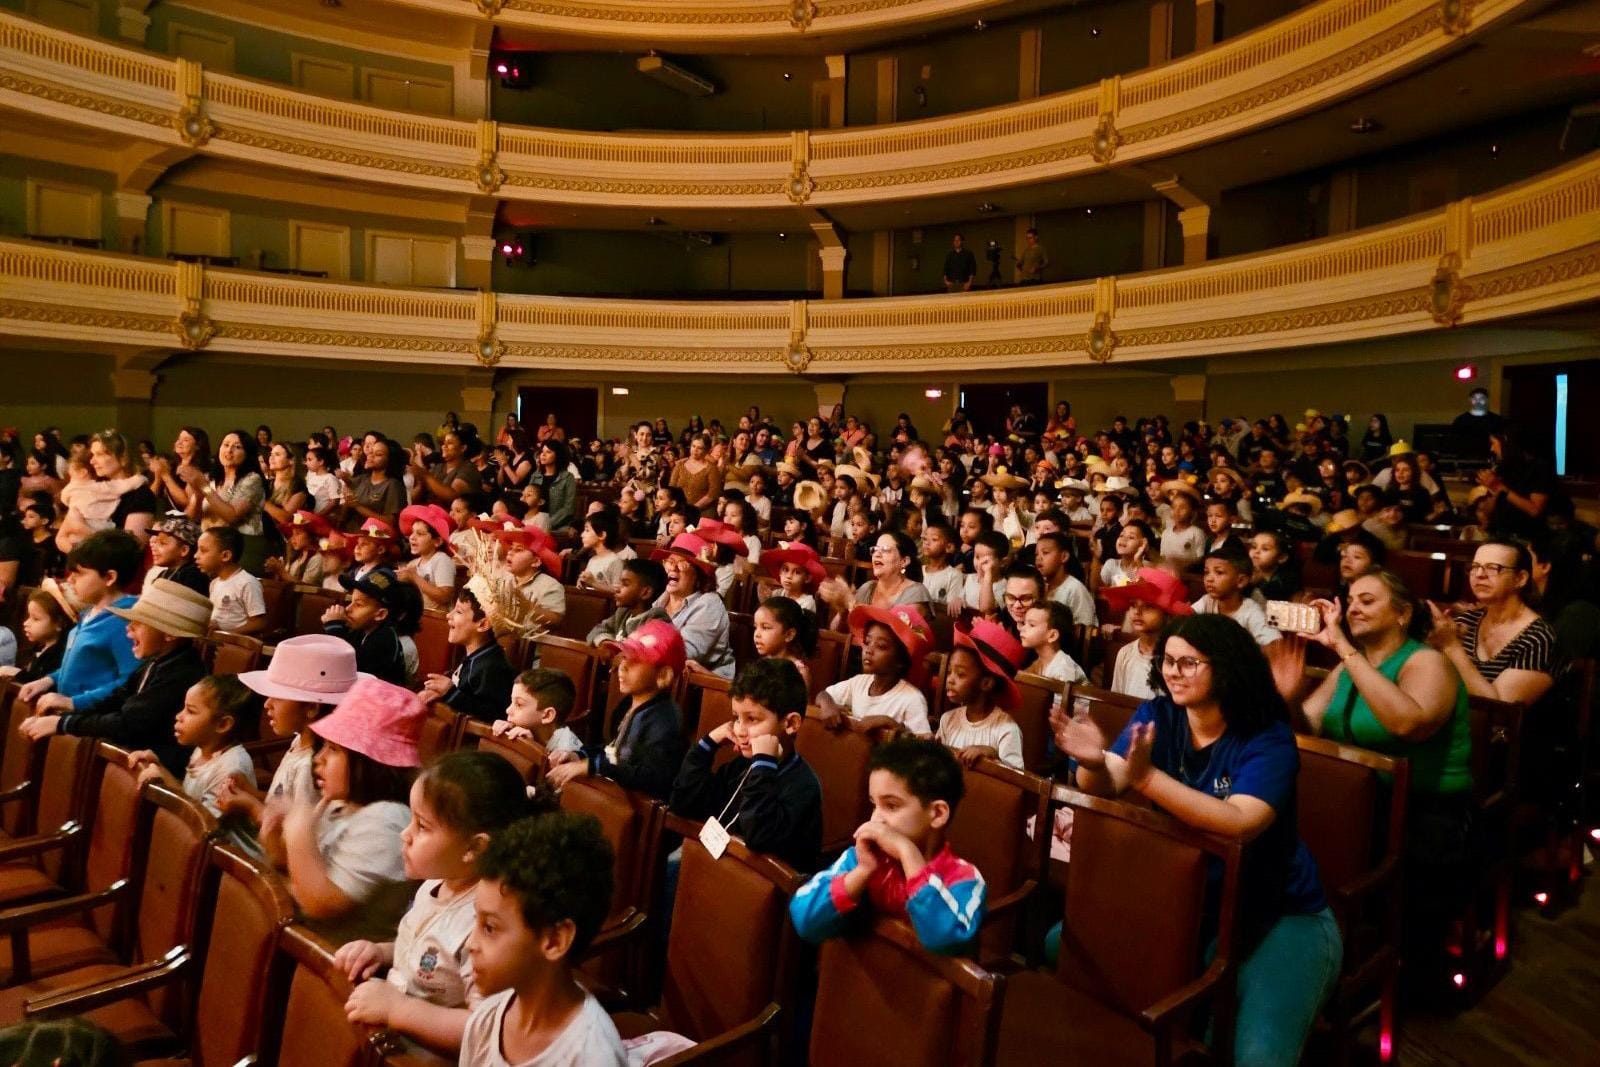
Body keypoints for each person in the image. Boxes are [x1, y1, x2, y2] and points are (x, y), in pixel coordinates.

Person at [1054, 613, 1340, 1067]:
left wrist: (1146, 779)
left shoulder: (1267, 734)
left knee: (1258, 1056)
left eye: (1188, 663)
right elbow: (1107, 780)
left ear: (1226, 667)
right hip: (1186, 898)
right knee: (1063, 946)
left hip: (1276, 911)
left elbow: (1239, 822)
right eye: (1168, 661)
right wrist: (1091, 760)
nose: (1172, 672)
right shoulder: (1161, 713)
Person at [1299, 570, 1471, 985]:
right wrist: (1282, 693)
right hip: (1361, 802)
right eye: (1351, 599)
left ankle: (1391, 970)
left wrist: (1342, 645)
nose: (1353, 607)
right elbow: (1308, 723)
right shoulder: (1350, 668)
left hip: (1426, 813)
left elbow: (1407, 724)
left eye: (1367, 600)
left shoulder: (1428, 661)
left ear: (1402, 613)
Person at [336, 752, 555, 1056]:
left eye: (422, 826)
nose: (405, 834)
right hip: (389, 1041)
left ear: (474, 847)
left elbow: (486, 1030)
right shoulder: (437, 882)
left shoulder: (485, 924)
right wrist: (382, 952)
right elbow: (430, 952)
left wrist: (397, 1010)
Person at [458, 812, 627, 1067]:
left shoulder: (592, 1056)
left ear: (554, 940)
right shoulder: (484, 1021)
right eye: (476, 921)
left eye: (489, 928)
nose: (471, 943)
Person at [790, 737, 986, 954]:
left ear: (937, 813)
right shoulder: (861, 860)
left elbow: (944, 939)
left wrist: (907, 853)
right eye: (874, 804)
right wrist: (862, 873)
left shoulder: (964, 878)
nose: (877, 819)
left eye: (891, 806)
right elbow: (803, 920)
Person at [279, 676, 425, 944]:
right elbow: (296, 876)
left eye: (334, 750)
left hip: (338, 962)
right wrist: (274, 834)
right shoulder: (339, 805)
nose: (319, 758)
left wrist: (298, 832)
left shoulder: (387, 820)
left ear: (368, 763)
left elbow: (321, 904)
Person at [18, 578, 213, 776]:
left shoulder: (181, 673)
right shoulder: (157, 662)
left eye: (138, 624)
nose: (128, 630)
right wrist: (68, 713)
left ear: (170, 634)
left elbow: (127, 724)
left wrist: (63, 724)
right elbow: (117, 699)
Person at [670, 657, 823, 873]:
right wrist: (707, 745)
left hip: (751, 892)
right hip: (709, 870)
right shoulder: (741, 765)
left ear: (790, 723)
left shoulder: (803, 786)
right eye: (737, 718)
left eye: (752, 719)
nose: (740, 730)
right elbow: (683, 803)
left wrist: (763, 767)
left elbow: (759, 838)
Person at [222, 634, 358, 850]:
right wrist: (252, 793)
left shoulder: (312, 766)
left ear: (311, 709)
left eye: (277, 696)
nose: (267, 704)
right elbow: (286, 803)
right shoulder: (299, 741)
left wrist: (251, 808)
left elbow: (297, 838)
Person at [547, 619, 686, 801]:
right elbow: (614, 752)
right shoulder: (628, 705)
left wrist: (593, 766)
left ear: (662, 676)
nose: (623, 665)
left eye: (636, 660)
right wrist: (579, 755)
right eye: (625, 657)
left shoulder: (666, 722)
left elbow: (652, 778)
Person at [15, 531, 142, 717]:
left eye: (79, 574)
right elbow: (77, 666)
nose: (70, 579)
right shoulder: (88, 614)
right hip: (70, 715)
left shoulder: (124, 621)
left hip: (91, 720)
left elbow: (128, 682)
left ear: (109, 578)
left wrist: (74, 702)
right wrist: (48, 680)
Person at [1428, 540, 1562, 707]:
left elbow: (1499, 710)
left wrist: (1451, 647)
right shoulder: (1465, 621)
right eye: (1475, 566)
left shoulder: (1538, 637)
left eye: (1492, 568)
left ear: (1520, 579)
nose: (1479, 574)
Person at [127, 674, 256, 819]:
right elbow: (190, 796)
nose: (178, 716)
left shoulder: (230, 770)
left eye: (191, 711)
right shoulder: (204, 748)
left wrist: (164, 783)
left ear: (222, 724)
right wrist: (158, 767)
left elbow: (205, 826)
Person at [816, 605, 932, 737]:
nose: (868, 650)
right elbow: (823, 695)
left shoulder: (912, 699)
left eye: (881, 646)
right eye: (867, 642)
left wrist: (889, 723)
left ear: (900, 661)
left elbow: (923, 746)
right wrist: (827, 705)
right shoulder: (859, 682)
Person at [937, 619, 1026, 770]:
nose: (950, 679)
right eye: (950, 671)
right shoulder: (947, 720)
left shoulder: (1006, 730)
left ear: (986, 683)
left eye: (960, 674)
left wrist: (993, 756)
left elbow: (1015, 784)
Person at [419, 588, 517, 722]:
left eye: (458, 611)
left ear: (483, 624)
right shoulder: (479, 656)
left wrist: (450, 692)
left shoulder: (492, 667)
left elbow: (493, 715)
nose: (449, 615)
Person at [652, 533, 735, 679]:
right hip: (662, 674)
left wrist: (637, 646)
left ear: (698, 574)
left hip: (702, 689)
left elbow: (683, 652)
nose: (674, 568)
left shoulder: (710, 603)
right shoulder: (660, 597)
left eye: (682, 563)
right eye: (670, 561)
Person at [191, 430, 268, 575]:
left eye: (237, 447)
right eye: (225, 445)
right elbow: (192, 517)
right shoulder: (211, 480)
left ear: (247, 453)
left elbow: (232, 516)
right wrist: (198, 494)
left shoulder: (252, 480)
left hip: (242, 549)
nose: (229, 450)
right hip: (210, 548)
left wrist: (204, 488)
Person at [323, 568, 409, 686]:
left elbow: (349, 667)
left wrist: (334, 628)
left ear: (380, 614)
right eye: (351, 601)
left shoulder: (385, 638)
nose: (348, 609)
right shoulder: (361, 630)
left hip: (381, 701)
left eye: (358, 605)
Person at [1192, 543, 1281, 646]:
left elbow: (1274, 643)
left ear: (1241, 581)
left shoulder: (1251, 612)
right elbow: (1187, 617)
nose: (1209, 579)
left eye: (1219, 572)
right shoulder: (1207, 601)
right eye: (1207, 572)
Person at [196, 526, 268, 636]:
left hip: (234, 646)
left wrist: (225, 634)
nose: (196, 555)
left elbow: (259, 623)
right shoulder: (214, 583)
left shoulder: (247, 583)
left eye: (203, 551)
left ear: (225, 556)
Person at [494, 669, 583, 754]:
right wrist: (498, 737)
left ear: (547, 715)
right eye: (511, 701)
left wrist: (531, 750)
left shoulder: (567, 753)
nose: (508, 710)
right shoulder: (522, 729)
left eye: (519, 704)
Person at [0, 588, 72, 685]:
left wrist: (16, 673)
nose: (26, 623)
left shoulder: (56, 657)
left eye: (36, 619)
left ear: (59, 623)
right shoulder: (40, 649)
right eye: (29, 616)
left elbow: (38, 681)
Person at [587, 558, 666, 645]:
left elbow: (643, 651)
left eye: (625, 584)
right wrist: (605, 641)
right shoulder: (623, 613)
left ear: (645, 592)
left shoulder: (656, 620)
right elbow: (597, 630)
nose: (617, 589)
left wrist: (618, 648)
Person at [398, 504, 457, 612]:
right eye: (412, 532)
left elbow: (444, 596)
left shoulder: (442, 560)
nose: (412, 537)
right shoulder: (413, 564)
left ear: (437, 541)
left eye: (419, 534)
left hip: (436, 620)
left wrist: (414, 577)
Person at [750, 596, 816, 691]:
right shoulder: (760, 665)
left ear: (789, 634)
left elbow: (803, 705)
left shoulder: (800, 673)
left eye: (765, 627)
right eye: (756, 627)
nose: (757, 634)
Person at [1020, 601, 1086, 685]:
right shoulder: (1039, 663)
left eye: (1031, 625)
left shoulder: (1063, 667)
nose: (1022, 628)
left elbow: (1062, 697)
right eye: (1024, 623)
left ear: (1052, 636)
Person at [145, 512, 209, 596]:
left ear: (184, 550)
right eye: (156, 542)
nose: (154, 548)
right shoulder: (163, 574)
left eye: (163, 543)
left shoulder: (193, 576)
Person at [1450, 386, 1505, 458]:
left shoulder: (1497, 420)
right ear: (1469, 400)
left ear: (1487, 400)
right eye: (1474, 398)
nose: (1477, 401)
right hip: (1465, 458)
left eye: (1481, 398)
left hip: (1490, 457)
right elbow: (1454, 442)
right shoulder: (1460, 420)